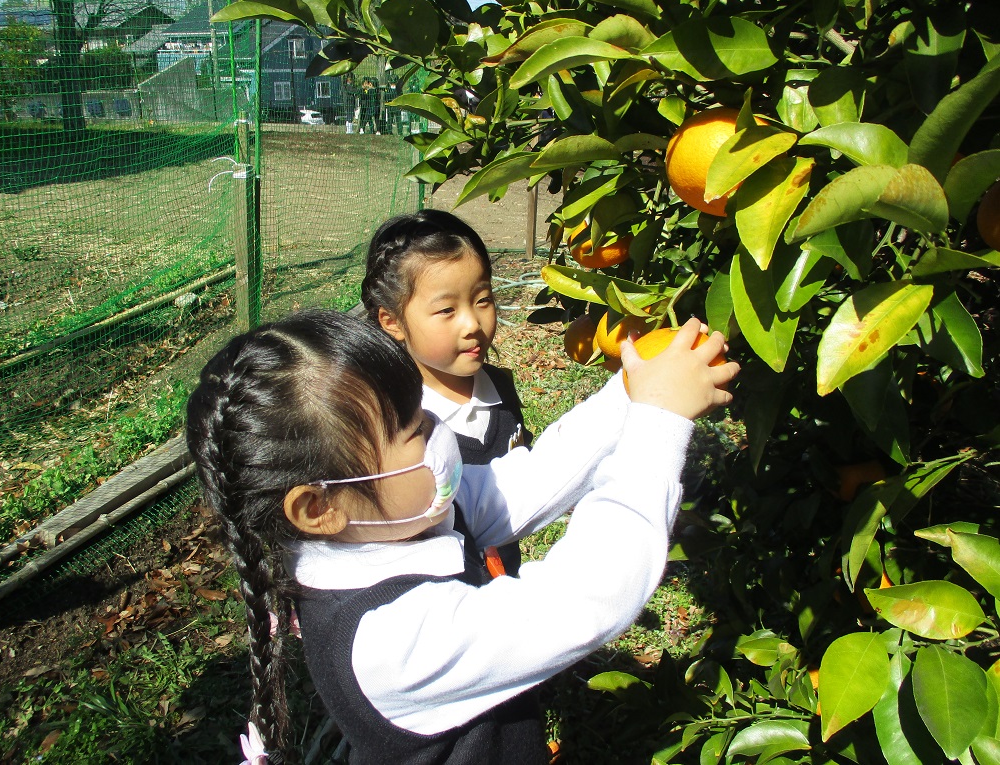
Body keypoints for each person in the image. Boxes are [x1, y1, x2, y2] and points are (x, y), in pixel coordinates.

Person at [186, 307, 737, 763]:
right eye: (412, 429)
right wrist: (658, 421)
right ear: (318, 506)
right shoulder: (388, 641)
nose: (439, 432)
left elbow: (526, 483)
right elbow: (589, 594)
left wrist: (630, 394)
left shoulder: (392, 518)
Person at [361, 210, 533, 576]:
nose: (473, 324)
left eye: (483, 299)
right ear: (393, 322)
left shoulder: (499, 387)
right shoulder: (399, 432)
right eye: (447, 310)